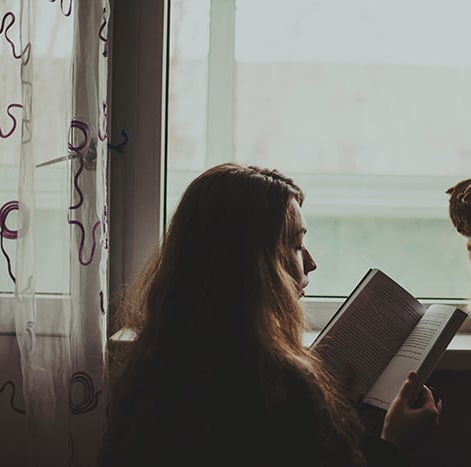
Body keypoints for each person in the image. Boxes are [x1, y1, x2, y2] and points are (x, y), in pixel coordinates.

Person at [98, 162, 443, 467]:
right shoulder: (276, 384)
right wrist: (394, 444)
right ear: (255, 265)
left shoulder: (154, 366)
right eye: (295, 244)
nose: (310, 262)